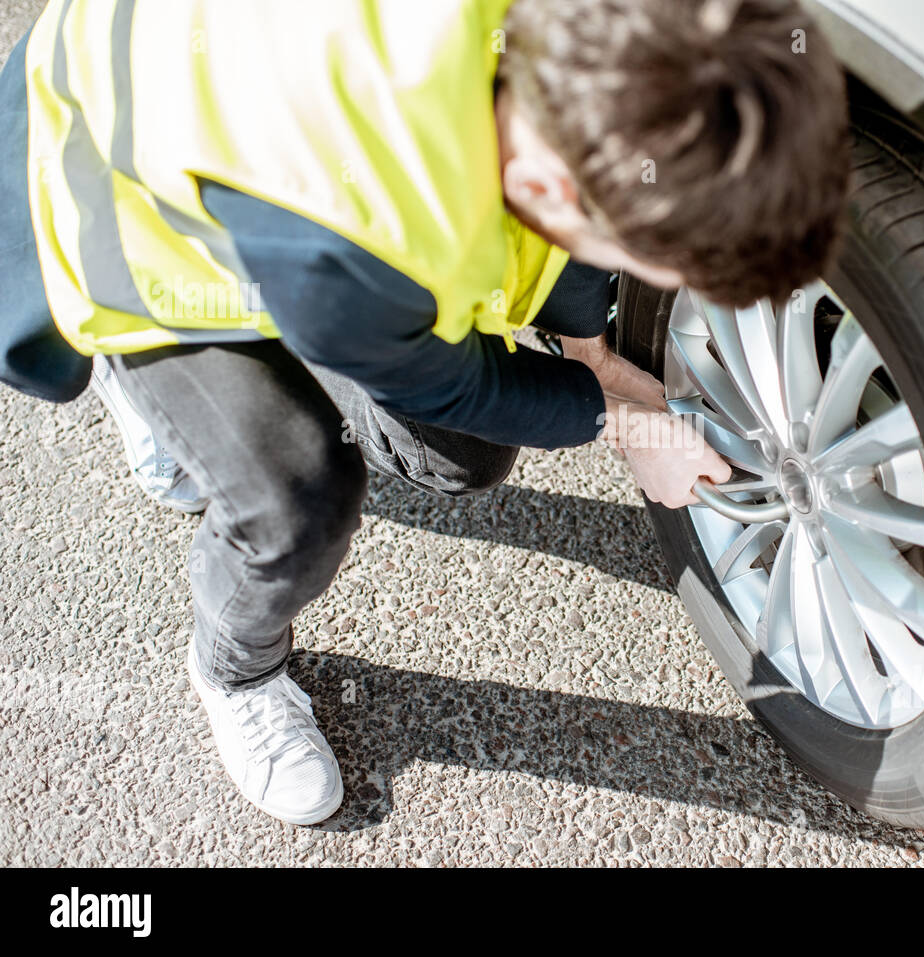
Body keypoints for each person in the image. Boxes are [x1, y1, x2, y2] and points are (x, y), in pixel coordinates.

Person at [0, 0, 849, 824]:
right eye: (648, 261)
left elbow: (561, 229)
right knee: (298, 498)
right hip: (123, 191)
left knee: (464, 456)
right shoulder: (355, 242)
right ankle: (233, 667)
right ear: (547, 183)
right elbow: (449, 385)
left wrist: (592, 359)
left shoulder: (585, 47)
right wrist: (621, 423)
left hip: (286, 169)